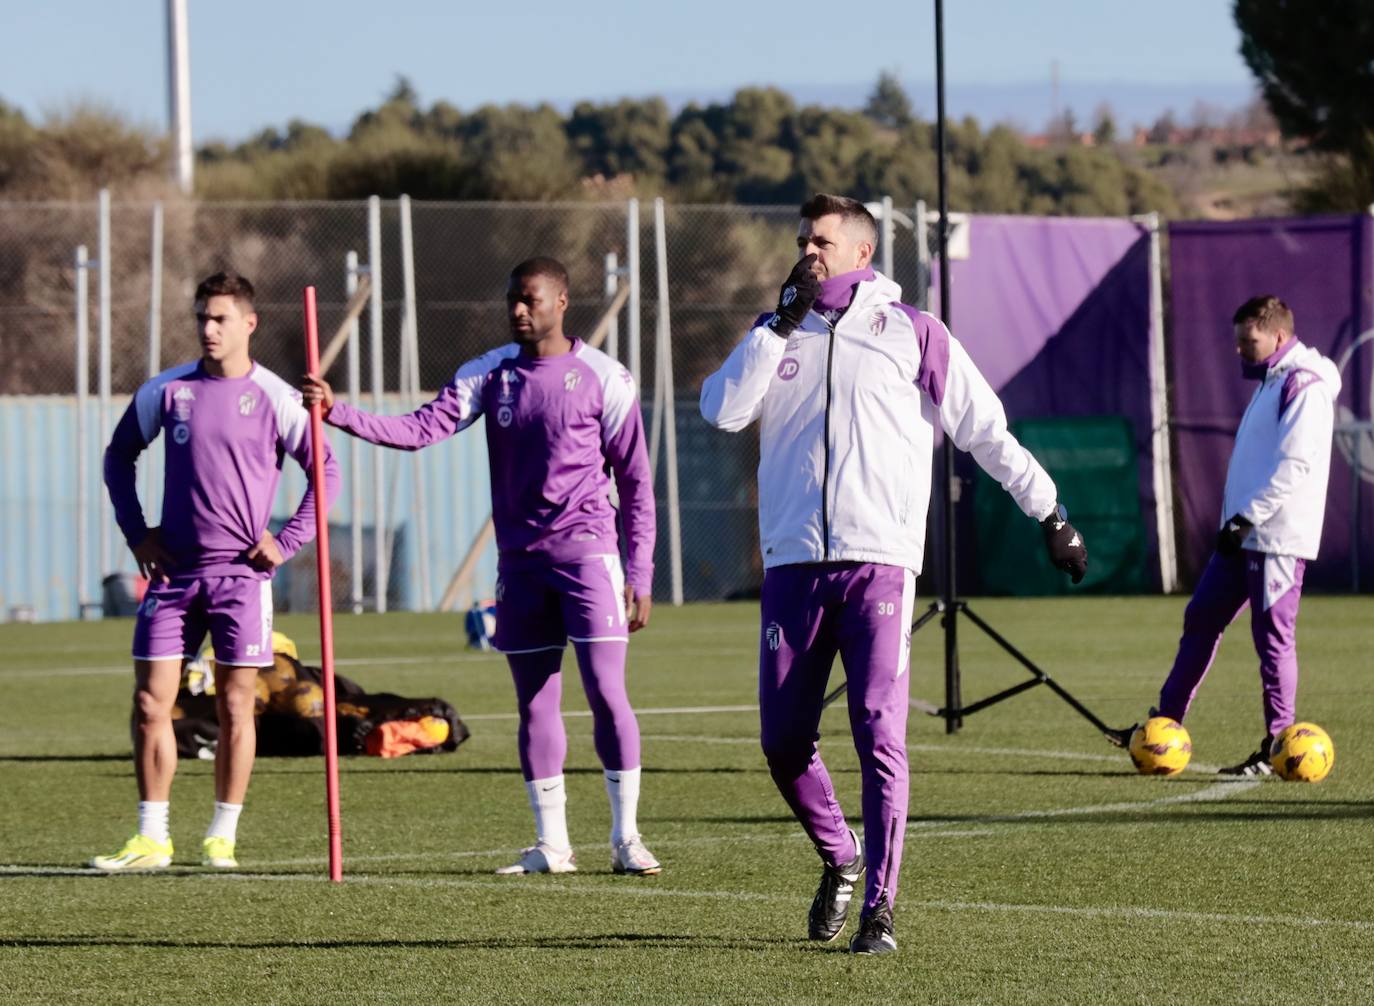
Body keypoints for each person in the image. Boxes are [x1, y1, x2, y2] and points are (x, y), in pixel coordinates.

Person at [700, 194, 1088, 955]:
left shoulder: (912, 332)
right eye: (803, 240)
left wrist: (1051, 513)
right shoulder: (773, 331)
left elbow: (985, 430)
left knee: (878, 729)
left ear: (862, 255)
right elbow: (721, 412)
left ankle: (880, 905)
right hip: (792, 565)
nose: (808, 251)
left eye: (823, 242)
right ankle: (839, 856)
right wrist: (776, 324)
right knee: (782, 742)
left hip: (878, 563)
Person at [300, 257, 661, 876]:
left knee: (606, 693)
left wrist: (640, 571)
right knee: (535, 705)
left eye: (531, 300)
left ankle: (627, 837)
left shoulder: (606, 378)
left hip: (589, 559)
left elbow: (636, 482)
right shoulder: (487, 374)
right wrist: (338, 412)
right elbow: (418, 429)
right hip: (520, 566)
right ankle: (553, 846)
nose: (519, 310)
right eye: (512, 301)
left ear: (562, 302)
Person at [93, 271, 340, 871]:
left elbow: (325, 473)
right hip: (174, 577)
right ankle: (152, 836)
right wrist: (138, 531)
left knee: (235, 703)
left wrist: (286, 541)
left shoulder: (278, 398)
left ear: (248, 325)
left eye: (220, 318)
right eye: (201, 316)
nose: (208, 328)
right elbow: (118, 455)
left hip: (241, 580)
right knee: (152, 704)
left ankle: (220, 835)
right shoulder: (168, 391)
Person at [1109, 295, 1339, 774]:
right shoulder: (1273, 379)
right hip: (1245, 534)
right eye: (1237, 341)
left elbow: (1296, 464)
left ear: (1277, 336)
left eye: (1248, 340)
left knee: (1273, 639)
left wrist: (1246, 517)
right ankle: (1163, 726)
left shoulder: (1305, 383)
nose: (1240, 349)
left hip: (1275, 538)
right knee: (1201, 618)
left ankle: (1282, 746)